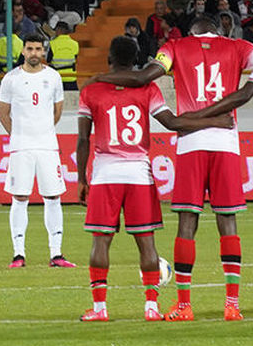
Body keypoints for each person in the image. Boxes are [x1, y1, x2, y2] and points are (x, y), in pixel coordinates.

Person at [90, 14, 253, 320]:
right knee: (227, 222)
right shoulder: (238, 46)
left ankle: (184, 305)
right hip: (226, 144)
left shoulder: (175, 46)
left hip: (192, 144)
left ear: (192, 31)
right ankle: (231, 305)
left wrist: (100, 78)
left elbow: (144, 77)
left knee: (187, 223)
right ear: (219, 30)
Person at [76, 36, 203, 321]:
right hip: (139, 174)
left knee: (101, 241)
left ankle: (99, 309)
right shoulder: (148, 87)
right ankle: (152, 308)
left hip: (105, 173)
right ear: (136, 60)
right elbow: (172, 122)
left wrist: (82, 179)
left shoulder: (91, 89)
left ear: (109, 56)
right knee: (146, 242)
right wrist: (210, 119)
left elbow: (83, 139)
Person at [0, 34, 74, 269]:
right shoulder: (11, 79)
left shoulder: (53, 77)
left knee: (53, 197)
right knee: (20, 197)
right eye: (29, 49)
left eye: (38, 49)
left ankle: (56, 253)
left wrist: (43, 130)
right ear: (23, 51)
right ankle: (18, 254)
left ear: (43, 52)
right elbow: (3, 112)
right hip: (21, 146)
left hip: (47, 145)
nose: (33, 53)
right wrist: (19, 135)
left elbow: (57, 110)